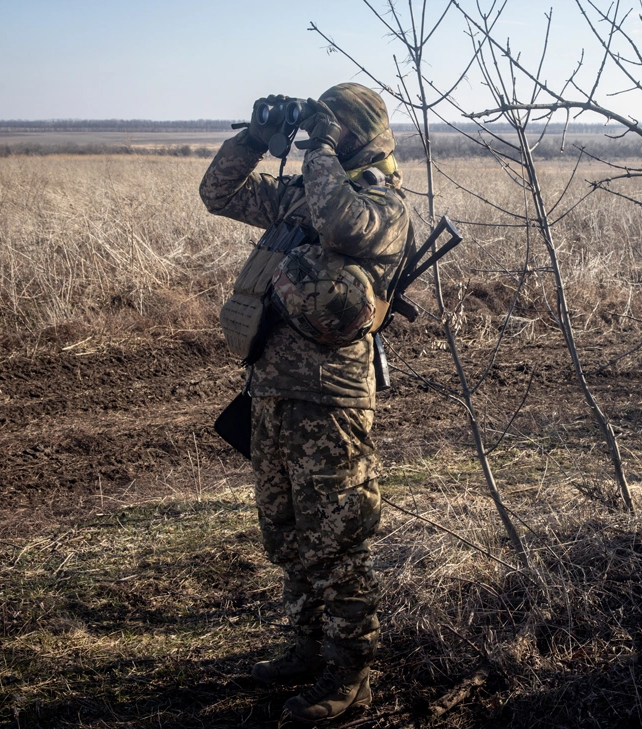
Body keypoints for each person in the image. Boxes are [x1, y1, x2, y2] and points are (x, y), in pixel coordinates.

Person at [199, 84, 410, 724]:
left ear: (359, 133)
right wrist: (257, 140)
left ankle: (351, 676)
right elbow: (220, 195)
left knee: (336, 536)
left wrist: (318, 147)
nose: (323, 135)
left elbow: (342, 222)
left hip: (331, 399)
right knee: (284, 531)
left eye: (335, 126)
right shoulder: (299, 196)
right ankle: (306, 646)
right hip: (270, 389)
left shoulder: (383, 203)